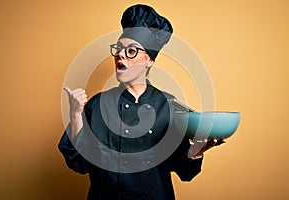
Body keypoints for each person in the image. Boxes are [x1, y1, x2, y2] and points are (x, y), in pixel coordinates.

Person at [58, 4, 225, 200]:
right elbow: (79, 164)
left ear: (149, 60)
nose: (120, 54)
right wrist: (75, 115)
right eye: (119, 49)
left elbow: (185, 172)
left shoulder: (170, 107)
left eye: (131, 51)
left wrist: (196, 152)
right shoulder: (97, 105)